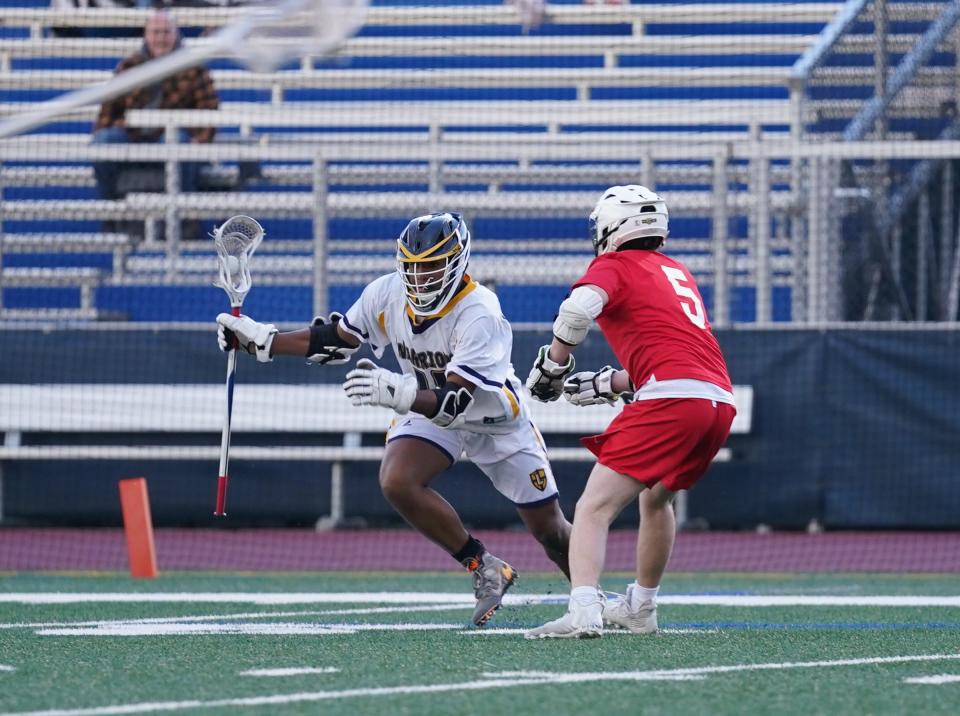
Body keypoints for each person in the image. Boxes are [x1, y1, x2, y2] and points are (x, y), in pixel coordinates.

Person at [216, 212, 572, 627]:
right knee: (396, 480)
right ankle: (485, 567)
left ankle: (590, 593)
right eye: (413, 269)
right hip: (424, 403)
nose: (420, 280)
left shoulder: (481, 311)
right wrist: (263, 340)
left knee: (549, 530)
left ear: (458, 264)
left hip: (490, 414)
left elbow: (457, 399)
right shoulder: (386, 293)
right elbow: (337, 339)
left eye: (432, 267)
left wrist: (400, 393)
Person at [523, 185, 736, 639]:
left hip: (673, 399)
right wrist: (608, 383)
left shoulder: (614, 264)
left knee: (594, 506)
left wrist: (553, 363)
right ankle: (640, 606)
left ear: (610, 227)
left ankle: (583, 607)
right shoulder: (676, 271)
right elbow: (675, 354)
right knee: (656, 497)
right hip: (717, 401)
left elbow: (577, 310)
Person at [91, 10, 218, 203]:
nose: (161, 38)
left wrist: (200, 141)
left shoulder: (195, 68)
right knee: (102, 143)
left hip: (173, 137)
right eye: (156, 32)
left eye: (166, 32)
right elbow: (108, 110)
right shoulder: (129, 67)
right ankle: (114, 210)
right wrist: (108, 129)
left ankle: (184, 216)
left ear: (176, 35)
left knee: (180, 147)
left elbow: (209, 112)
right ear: (146, 35)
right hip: (133, 137)